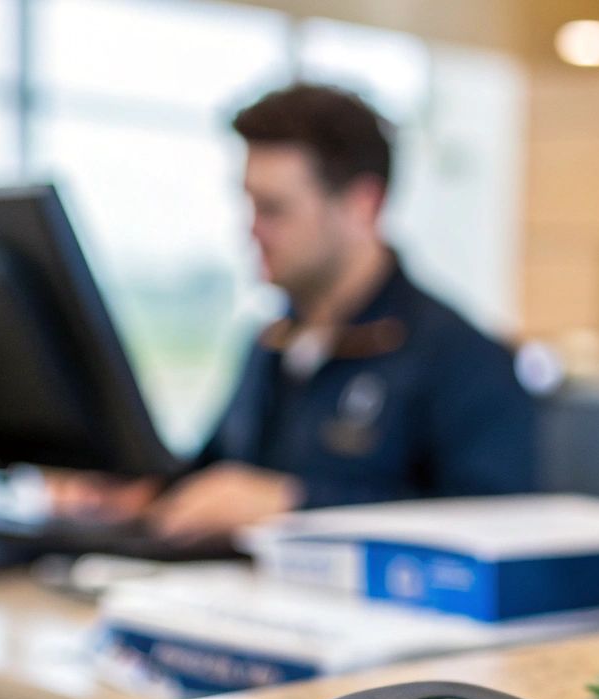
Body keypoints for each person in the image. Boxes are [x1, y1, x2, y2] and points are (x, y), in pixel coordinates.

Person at [54, 83, 536, 541]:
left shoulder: (464, 361)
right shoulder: (270, 342)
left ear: (362, 204)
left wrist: (296, 506)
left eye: (274, 209)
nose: (252, 231)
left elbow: (494, 525)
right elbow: (217, 472)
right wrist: (140, 491)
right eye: (248, 204)